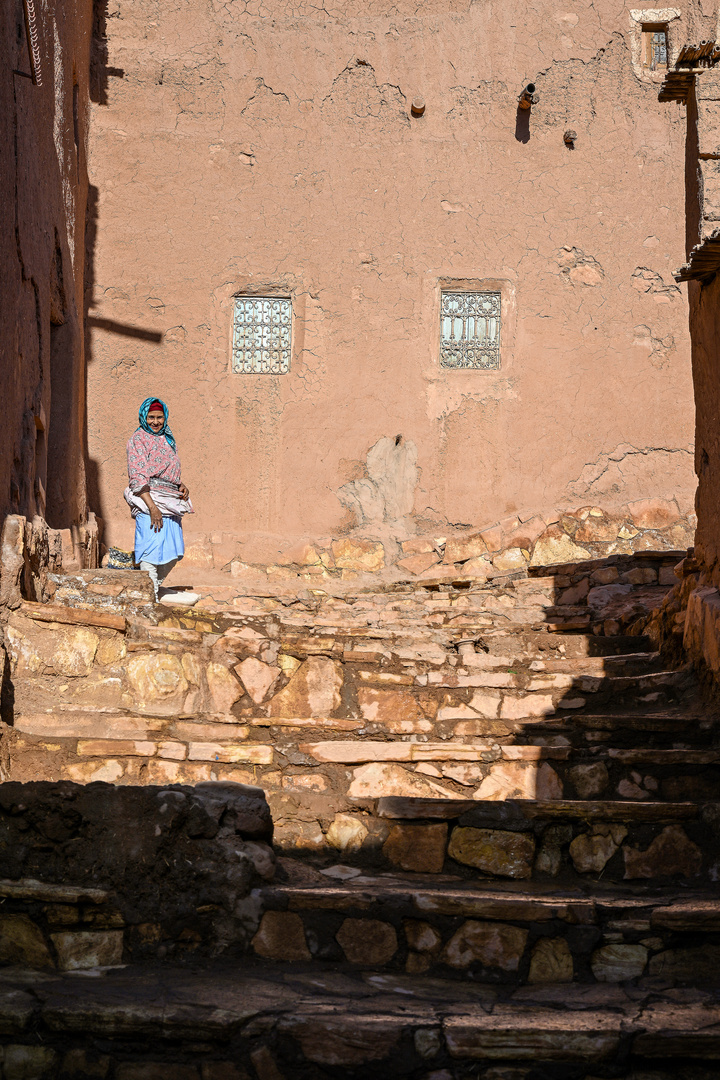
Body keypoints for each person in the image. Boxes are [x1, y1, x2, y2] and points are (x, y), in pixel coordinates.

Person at [124, 397, 193, 600]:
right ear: (144, 417)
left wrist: (179, 484)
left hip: (171, 502)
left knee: (175, 551)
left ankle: (149, 589)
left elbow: (167, 470)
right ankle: (150, 596)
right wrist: (152, 507)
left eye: (159, 417)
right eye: (151, 417)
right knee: (149, 551)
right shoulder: (138, 439)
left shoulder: (168, 438)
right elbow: (137, 475)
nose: (155, 422)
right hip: (149, 501)